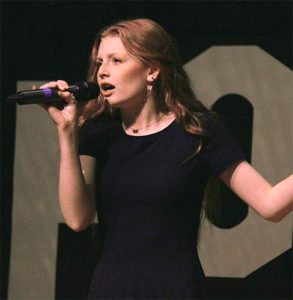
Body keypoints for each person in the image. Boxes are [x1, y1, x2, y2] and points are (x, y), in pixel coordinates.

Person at [40, 18, 293, 299]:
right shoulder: (99, 134)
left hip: (175, 289)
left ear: (152, 70)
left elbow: (271, 204)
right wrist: (67, 132)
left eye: (117, 61)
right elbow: (78, 218)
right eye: (100, 62)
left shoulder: (197, 132)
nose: (103, 73)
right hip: (110, 289)